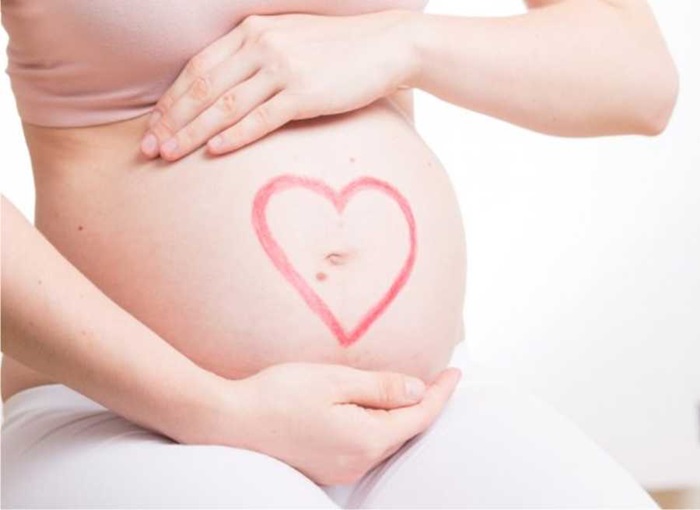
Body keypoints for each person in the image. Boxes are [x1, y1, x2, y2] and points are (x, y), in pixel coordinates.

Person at [1, 0, 677, 507]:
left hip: (418, 409)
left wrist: (406, 43)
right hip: (120, 414)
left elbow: (637, 75)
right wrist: (211, 408)